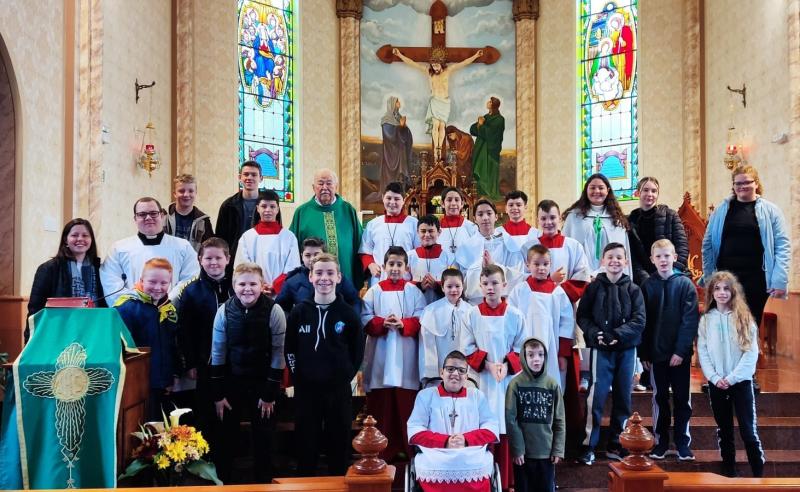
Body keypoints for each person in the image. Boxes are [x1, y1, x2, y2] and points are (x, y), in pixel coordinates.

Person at [285, 253, 363, 476]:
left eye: (330, 273)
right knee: (306, 446)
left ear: (339, 277)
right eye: (318, 272)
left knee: (338, 447)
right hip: (306, 391)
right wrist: (298, 375)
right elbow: (290, 348)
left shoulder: (348, 314)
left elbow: (357, 352)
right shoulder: (299, 312)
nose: (324, 278)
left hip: (338, 392)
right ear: (310, 276)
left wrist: (343, 376)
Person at [209, 262, 286, 483]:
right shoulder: (224, 310)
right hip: (232, 384)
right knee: (226, 440)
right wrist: (218, 395)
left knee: (264, 439)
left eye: (253, 283)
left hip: (263, 384)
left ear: (262, 285)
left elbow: (279, 353)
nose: (247, 289)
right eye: (242, 284)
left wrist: (270, 393)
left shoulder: (274, 310)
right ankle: (224, 483)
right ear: (234, 285)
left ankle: (264, 483)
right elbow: (218, 351)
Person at [576, 243, 645, 465]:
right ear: (602, 261)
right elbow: (583, 317)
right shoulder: (593, 288)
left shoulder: (634, 289)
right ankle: (589, 445)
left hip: (625, 351)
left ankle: (618, 443)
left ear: (625, 262)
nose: (614, 261)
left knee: (623, 398)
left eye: (619, 257)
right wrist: (595, 333)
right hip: (601, 350)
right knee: (596, 398)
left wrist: (619, 334)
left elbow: (639, 320)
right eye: (610, 257)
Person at [702, 164, 790, 327]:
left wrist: (779, 280)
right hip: (725, 278)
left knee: (749, 327)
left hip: (755, 279)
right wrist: (708, 276)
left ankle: (748, 353)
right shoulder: (721, 210)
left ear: (756, 183)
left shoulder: (771, 211)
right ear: (733, 186)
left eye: (746, 182)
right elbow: (707, 244)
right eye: (738, 184)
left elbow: (782, 246)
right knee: (722, 325)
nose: (742, 187)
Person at [463, 264, 526, 490]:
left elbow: (521, 346)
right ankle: (482, 480)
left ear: (504, 285)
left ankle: (507, 479)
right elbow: (466, 346)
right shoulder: (472, 314)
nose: (490, 288)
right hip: (482, 379)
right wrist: (488, 365)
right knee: (483, 423)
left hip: (506, 380)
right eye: (486, 283)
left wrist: (507, 366)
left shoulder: (515, 314)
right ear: (480, 285)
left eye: (495, 283)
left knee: (505, 423)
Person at [362, 246, 426, 461]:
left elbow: (421, 317)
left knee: (405, 407)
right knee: (382, 408)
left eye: (399, 264)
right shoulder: (375, 291)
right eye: (391, 264)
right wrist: (381, 323)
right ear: (384, 266)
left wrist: (403, 324)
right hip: (381, 352)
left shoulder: (413, 291)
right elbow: (365, 317)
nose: (395, 268)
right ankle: (382, 452)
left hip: (406, 354)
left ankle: (407, 451)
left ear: (406, 267)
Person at [697, 271, 764, 478]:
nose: (722, 292)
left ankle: (758, 473)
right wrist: (716, 378)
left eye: (726, 288)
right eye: (717, 289)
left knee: (748, 431)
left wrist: (733, 377)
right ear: (711, 293)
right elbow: (703, 352)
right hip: (717, 384)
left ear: (733, 291)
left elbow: (751, 354)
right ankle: (729, 473)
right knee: (725, 431)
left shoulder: (744, 318)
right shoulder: (706, 320)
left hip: (741, 383)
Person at [640, 239, 699, 461]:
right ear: (652, 260)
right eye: (659, 256)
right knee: (660, 398)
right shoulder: (648, 286)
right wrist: (644, 353)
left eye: (667, 256)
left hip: (679, 356)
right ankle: (661, 442)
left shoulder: (685, 285)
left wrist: (681, 351)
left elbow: (690, 320)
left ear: (675, 258)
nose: (663, 260)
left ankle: (683, 442)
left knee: (683, 399)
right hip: (656, 355)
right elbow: (643, 322)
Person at [407, 350, 499, 492]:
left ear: (467, 376)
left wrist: (466, 440)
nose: (455, 374)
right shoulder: (425, 396)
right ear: (441, 372)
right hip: (436, 455)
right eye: (450, 369)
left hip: (470, 454)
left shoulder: (477, 396)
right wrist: (446, 441)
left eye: (461, 370)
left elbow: (492, 429)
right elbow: (415, 431)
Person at [172, 237, 233, 437]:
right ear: (200, 260)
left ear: (228, 259)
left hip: (235, 362)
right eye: (208, 258)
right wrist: (190, 363)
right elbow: (184, 330)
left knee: (232, 411)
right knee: (207, 414)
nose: (213, 262)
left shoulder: (237, 287)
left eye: (218, 257)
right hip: (205, 362)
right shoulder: (191, 291)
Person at [101, 197, 200, 306]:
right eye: (142, 214)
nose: (148, 218)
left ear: (162, 216)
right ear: (135, 219)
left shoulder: (183, 246)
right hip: (131, 314)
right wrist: (136, 306)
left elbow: (191, 278)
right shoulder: (119, 248)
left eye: (153, 213)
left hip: (172, 313)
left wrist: (168, 301)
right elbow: (111, 284)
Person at [114, 258, 179, 421]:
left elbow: (172, 344)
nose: (158, 287)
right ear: (141, 281)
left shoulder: (168, 309)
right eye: (152, 282)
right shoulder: (127, 308)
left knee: (159, 427)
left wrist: (172, 376)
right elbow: (120, 347)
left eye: (164, 283)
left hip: (162, 382)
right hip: (137, 382)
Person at [392, 48, 484, 163]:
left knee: (442, 126)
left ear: (441, 64)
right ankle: (436, 150)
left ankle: (440, 148)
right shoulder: (428, 72)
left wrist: (476, 55)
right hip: (435, 101)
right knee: (435, 125)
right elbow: (412, 63)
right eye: (433, 65)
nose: (435, 68)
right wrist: (399, 54)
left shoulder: (448, 70)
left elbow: (463, 63)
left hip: (445, 103)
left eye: (437, 65)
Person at [507, 245, 574, 391]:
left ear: (551, 265)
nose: (541, 268)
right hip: (523, 346)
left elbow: (566, 324)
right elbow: (509, 320)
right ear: (527, 264)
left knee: (549, 382)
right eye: (536, 264)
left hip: (551, 346)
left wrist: (562, 354)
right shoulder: (520, 290)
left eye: (545, 264)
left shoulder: (557, 292)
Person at [27, 218, 106, 340]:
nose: (80, 239)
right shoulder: (48, 268)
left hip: (92, 331)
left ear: (91, 240)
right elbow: (35, 309)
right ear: (66, 240)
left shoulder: (98, 269)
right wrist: (31, 340)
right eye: (74, 235)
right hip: (57, 333)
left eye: (85, 235)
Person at [506, 338, 566, 492]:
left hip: (546, 453)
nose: (536, 359)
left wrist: (558, 448)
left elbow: (559, 420)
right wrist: (517, 448)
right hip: (523, 455)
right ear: (524, 357)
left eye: (540, 354)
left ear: (545, 356)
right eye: (531, 355)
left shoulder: (552, 385)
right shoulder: (515, 384)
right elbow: (511, 419)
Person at [289, 168, 364, 287]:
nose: (325, 187)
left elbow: (360, 245)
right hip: (312, 283)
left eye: (329, 183)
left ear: (336, 186)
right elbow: (292, 250)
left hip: (345, 279)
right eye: (320, 183)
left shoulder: (348, 210)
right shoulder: (302, 212)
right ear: (313, 187)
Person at [562, 174, 632, 277]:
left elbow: (623, 253)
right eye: (592, 188)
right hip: (582, 277)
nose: (597, 191)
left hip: (610, 277)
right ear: (586, 190)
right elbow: (567, 250)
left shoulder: (617, 220)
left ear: (607, 190)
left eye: (601, 188)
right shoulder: (574, 217)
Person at [234, 190, 300, 296]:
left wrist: (275, 286)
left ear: (278, 209)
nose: (268, 210)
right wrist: (259, 285)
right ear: (257, 209)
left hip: (281, 294)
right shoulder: (247, 237)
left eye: (272, 206)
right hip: (253, 293)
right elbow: (242, 267)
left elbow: (293, 268)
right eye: (264, 206)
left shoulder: (289, 237)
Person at [275, 237, 361, 314]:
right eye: (308, 255)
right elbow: (281, 308)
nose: (312, 258)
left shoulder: (338, 279)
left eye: (316, 254)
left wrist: (349, 321)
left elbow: (354, 301)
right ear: (302, 256)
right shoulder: (292, 281)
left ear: (324, 254)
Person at [462, 199, 525, 304]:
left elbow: (518, 274)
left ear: (496, 217)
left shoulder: (508, 243)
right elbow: (463, 280)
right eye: (480, 214)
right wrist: (480, 267)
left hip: (503, 302)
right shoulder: (467, 246)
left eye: (489, 213)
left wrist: (493, 266)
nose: (485, 218)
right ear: (474, 219)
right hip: (476, 304)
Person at [628, 177, 689, 284]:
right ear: (637, 193)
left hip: (670, 276)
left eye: (654, 191)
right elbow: (632, 254)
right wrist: (645, 279)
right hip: (643, 280)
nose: (650, 194)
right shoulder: (631, 220)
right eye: (645, 190)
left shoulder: (670, 215)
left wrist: (671, 273)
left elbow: (682, 247)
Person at [528, 199, 590, 303]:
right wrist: (550, 282)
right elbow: (524, 278)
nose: (548, 222)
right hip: (537, 302)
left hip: (564, 302)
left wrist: (558, 294)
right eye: (543, 218)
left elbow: (581, 277)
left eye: (552, 217)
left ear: (560, 218)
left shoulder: (574, 246)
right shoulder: (528, 247)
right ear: (537, 220)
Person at [418, 268, 473, 386]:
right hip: (439, 372)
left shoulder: (471, 311)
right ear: (442, 287)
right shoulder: (431, 311)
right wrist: (431, 375)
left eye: (457, 286)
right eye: (449, 286)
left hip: (464, 371)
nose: (454, 290)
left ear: (463, 286)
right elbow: (427, 346)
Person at [360, 182, 419, 286]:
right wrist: (370, 264)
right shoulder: (373, 224)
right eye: (388, 198)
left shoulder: (414, 224)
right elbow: (365, 251)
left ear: (404, 200)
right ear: (383, 198)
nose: (392, 202)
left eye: (396, 199)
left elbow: (418, 252)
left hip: (405, 279)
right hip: (379, 279)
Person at [215, 161, 263, 275]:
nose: (249, 178)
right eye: (246, 174)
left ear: (261, 178)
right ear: (239, 177)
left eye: (254, 174)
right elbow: (220, 238)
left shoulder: (269, 205)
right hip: (234, 261)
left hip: (261, 259)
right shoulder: (228, 205)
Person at [407, 215, 455, 305]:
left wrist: (436, 286)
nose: (427, 235)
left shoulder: (448, 256)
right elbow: (404, 283)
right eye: (423, 231)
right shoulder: (410, 256)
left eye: (431, 231)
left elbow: (454, 283)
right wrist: (420, 286)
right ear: (417, 232)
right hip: (416, 305)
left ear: (439, 232)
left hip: (441, 304)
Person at [164, 174, 214, 252]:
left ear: (196, 193)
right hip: (166, 263)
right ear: (174, 193)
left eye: (191, 191)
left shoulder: (204, 221)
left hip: (194, 263)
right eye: (181, 191)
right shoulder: (162, 216)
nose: (186, 194)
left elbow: (209, 249)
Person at [470, 97, 505, 200]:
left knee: (489, 171)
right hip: (481, 150)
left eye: (490, 101)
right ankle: (481, 193)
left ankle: (490, 194)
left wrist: (480, 125)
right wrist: (479, 125)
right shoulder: (486, 117)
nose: (488, 102)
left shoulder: (499, 119)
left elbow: (491, 134)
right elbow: (473, 130)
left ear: (493, 105)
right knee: (480, 171)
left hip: (490, 151)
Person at [379, 97, 413, 192]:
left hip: (400, 152)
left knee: (402, 174)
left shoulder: (398, 117)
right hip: (391, 154)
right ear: (393, 103)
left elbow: (405, 135)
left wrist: (404, 128)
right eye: (397, 101)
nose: (399, 102)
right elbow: (389, 136)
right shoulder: (386, 119)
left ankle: (403, 190)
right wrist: (399, 127)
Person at [437, 187, 478, 259]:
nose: (453, 203)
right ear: (442, 203)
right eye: (449, 200)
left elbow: (476, 252)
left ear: (462, 203)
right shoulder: (436, 228)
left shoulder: (471, 227)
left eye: (456, 200)